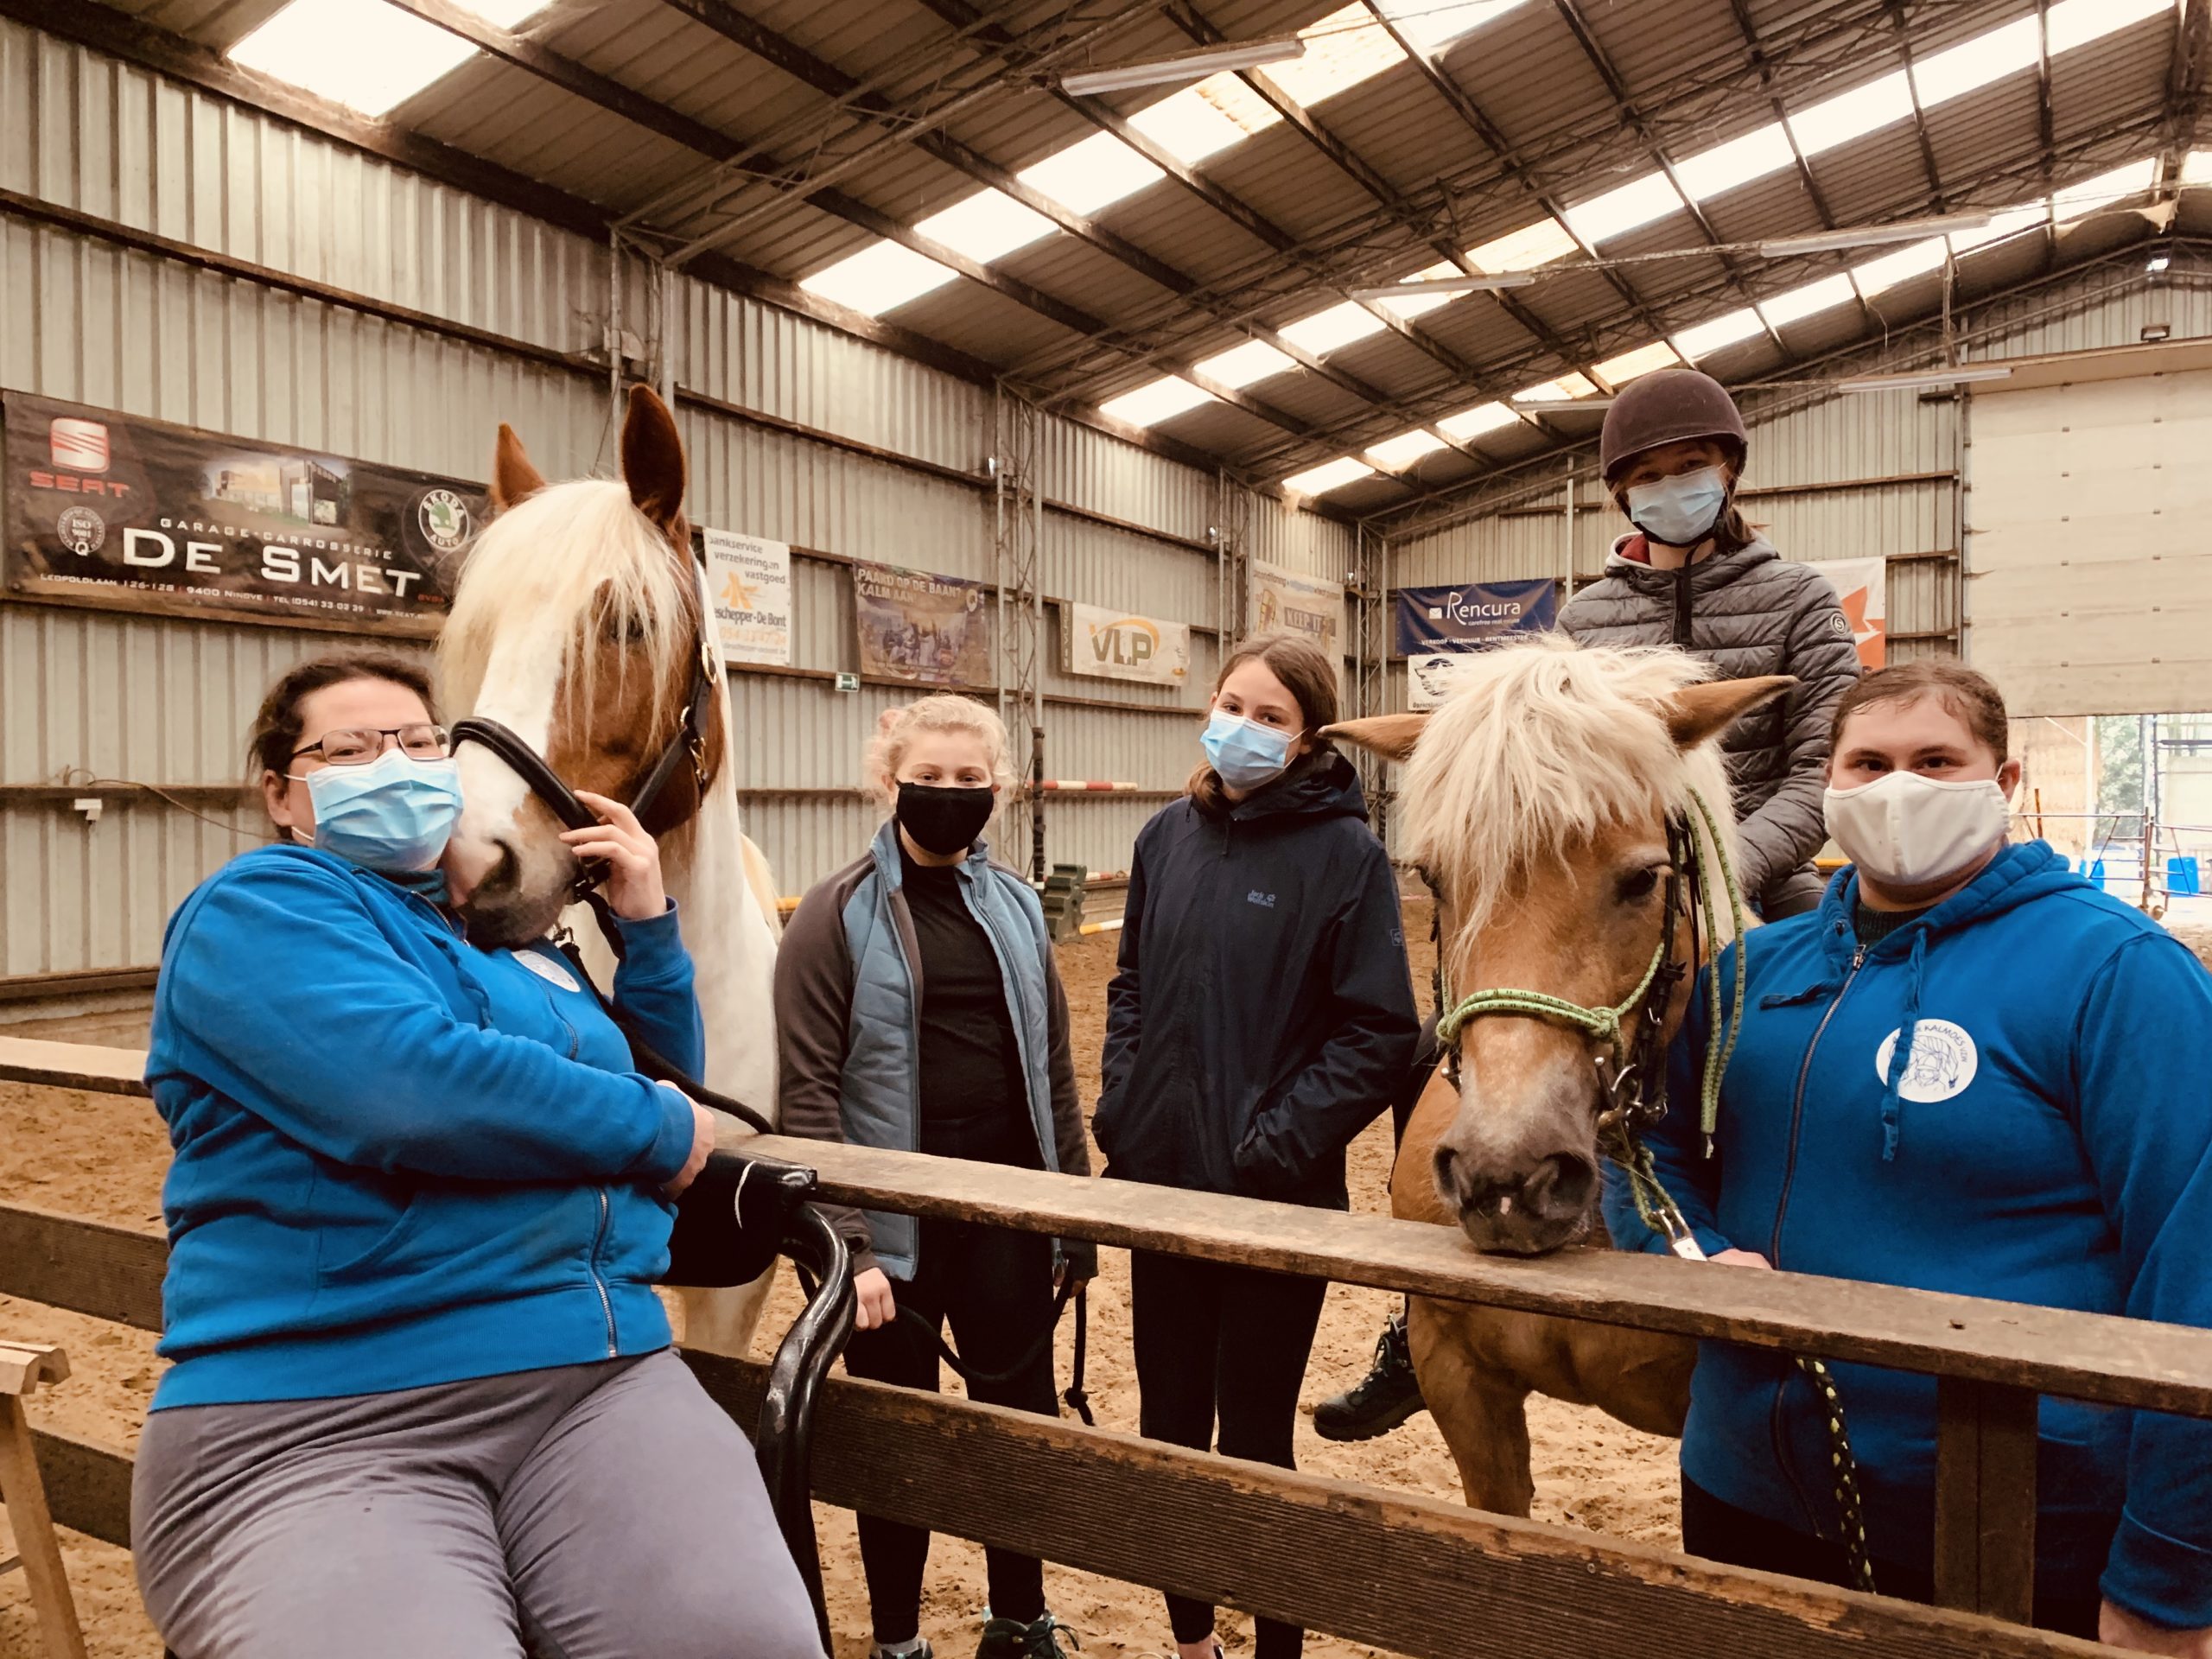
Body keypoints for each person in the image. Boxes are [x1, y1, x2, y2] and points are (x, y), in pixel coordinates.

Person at [131, 652, 822, 1659]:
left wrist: (646, 933)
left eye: (418, 742)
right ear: (282, 794)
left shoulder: (517, 944)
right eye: (351, 749)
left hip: (599, 1377)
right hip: (328, 1412)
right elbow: (410, 1091)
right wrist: (660, 1133)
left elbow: (653, 1072)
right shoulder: (262, 908)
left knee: (749, 1643)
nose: (396, 762)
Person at [1605, 659, 2212, 1653]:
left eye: (1936, 762)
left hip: (2014, 1513)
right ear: (1831, 787)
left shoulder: (2117, 972)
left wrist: (2168, 1574)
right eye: (1870, 764)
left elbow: (2196, 1271)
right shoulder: (1752, 971)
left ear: (2002, 784)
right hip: (1744, 1487)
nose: (1899, 790)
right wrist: (1694, 1260)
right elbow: (1645, 1146)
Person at [1318, 365, 1864, 1443]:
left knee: (1830, 1055)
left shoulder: (1800, 600)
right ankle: (1418, 1313)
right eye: (1647, 477)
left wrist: (1718, 868)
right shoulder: (1591, 614)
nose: (1670, 490)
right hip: (1592, 889)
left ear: (1728, 472)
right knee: (1443, 1046)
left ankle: (1825, 1310)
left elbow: (1818, 768)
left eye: (1688, 470)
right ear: (1622, 496)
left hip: (1757, 877)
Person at [1096, 632, 1420, 1659]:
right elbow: (1130, 986)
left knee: (1256, 1439)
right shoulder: (1164, 840)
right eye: (1232, 703)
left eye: (1270, 716)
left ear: (1309, 736)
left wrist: (1275, 1142)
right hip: (1162, 1189)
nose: (1241, 727)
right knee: (1171, 1430)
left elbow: (1379, 1032)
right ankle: (1193, 1640)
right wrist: (1123, 1105)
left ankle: (1276, 1645)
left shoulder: (1347, 859)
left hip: (1273, 1197)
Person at [775, 694, 1094, 1659]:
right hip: (892, 1243)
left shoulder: (1015, 905)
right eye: (931, 777)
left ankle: (1019, 1619)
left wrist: (1072, 1220)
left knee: (1018, 1429)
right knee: (897, 1449)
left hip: (1007, 1216)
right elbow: (806, 1094)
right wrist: (852, 1246)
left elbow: (1054, 1072)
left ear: (996, 789)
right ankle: (898, 1637)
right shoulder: (832, 916)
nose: (949, 796)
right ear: (890, 781)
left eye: (969, 781)